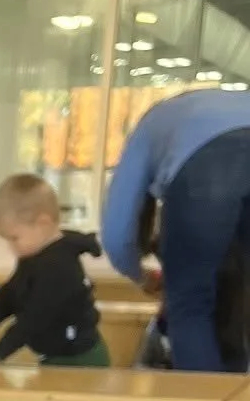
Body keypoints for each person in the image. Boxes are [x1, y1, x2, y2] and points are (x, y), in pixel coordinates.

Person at [103, 87, 250, 372]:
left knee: (190, 303)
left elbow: (116, 231)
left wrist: (140, 275)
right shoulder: (226, 104)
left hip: (208, 163)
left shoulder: (153, 124)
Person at [0, 173, 108, 369]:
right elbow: (7, 298)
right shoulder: (33, 258)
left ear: (43, 223)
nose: (11, 248)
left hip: (80, 360)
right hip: (54, 355)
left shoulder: (60, 266)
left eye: (14, 238)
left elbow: (35, 318)